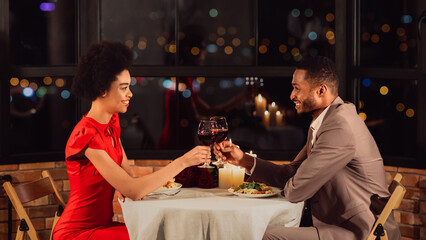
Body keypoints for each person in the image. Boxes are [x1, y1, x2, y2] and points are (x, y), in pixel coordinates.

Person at [214, 56, 401, 240]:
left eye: (297, 88)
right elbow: (292, 172)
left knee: (253, 234)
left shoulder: (339, 126)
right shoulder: (325, 121)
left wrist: (295, 180)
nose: (291, 96)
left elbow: (296, 190)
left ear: (321, 90)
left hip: (356, 231)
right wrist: (243, 160)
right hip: (337, 222)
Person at [52, 41, 211, 240]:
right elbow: (133, 190)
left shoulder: (112, 123)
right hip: (77, 233)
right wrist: (183, 161)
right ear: (102, 89)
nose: (130, 94)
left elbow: (128, 177)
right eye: (123, 88)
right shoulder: (85, 136)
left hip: (103, 226)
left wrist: (143, 184)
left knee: (164, 232)